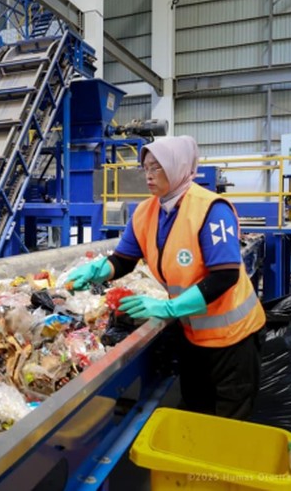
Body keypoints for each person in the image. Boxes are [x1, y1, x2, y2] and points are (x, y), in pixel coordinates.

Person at [67, 135, 265, 420]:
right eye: (145, 167)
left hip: (233, 341)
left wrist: (167, 308)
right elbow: (124, 260)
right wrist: (99, 270)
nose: (148, 175)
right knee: (196, 412)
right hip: (193, 334)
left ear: (178, 167)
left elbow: (225, 276)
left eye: (156, 168)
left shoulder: (211, 210)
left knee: (228, 424)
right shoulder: (146, 211)